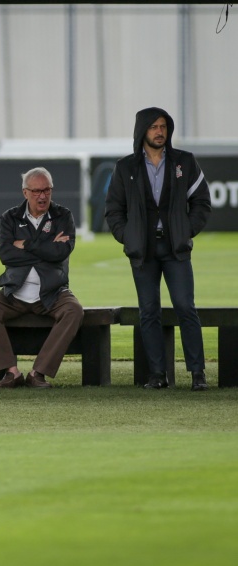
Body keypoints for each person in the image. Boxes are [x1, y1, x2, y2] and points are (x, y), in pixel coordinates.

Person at [105, 107, 212, 391]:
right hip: (143, 250)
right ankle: (157, 375)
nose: (159, 131)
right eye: (154, 127)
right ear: (142, 131)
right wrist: (128, 237)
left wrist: (185, 231)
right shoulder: (125, 167)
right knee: (148, 311)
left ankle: (198, 373)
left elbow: (202, 202)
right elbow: (114, 210)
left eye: (163, 126)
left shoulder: (184, 162)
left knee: (185, 307)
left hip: (175, 249)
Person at [0, 167, 83, 388]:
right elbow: (6, 255)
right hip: (15, 293)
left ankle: (38, 372)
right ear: (25, 192)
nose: (42, 196)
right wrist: (46, 248)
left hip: (52, 293)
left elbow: (61, 252)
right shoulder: (9, 218)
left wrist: (26, 245)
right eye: (36, 191)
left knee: (74, 310)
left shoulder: (63, 216)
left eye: (46, 190)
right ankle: (11, 372)